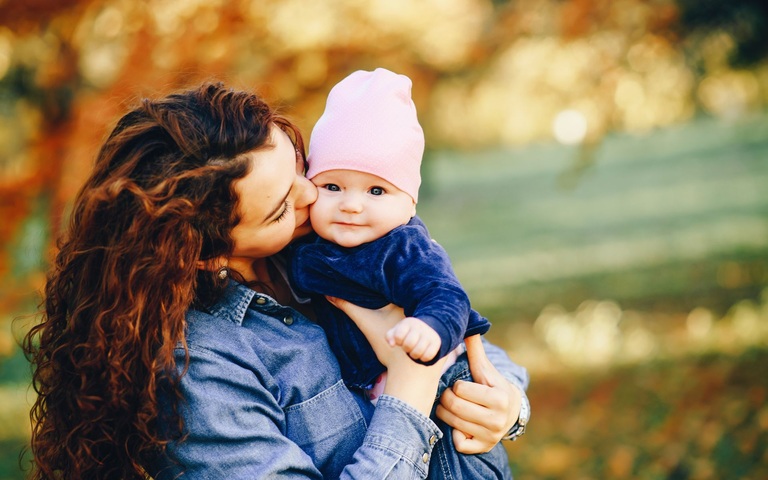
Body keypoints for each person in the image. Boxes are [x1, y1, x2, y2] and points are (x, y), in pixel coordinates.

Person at [23, 81, 530, 480]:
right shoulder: (199, 372)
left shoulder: (330, 242)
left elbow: (468, 337)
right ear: (204, 253)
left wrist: (506, 405)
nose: (314, 194)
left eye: (299, 166)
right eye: (281, 206)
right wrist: (410, 393)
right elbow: (419, 371)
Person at [289, 68, 517, 478]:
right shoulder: (309, 245)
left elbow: (448, 297)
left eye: (376, 190)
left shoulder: (404, 247)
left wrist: (427, 329)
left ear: (409, 201)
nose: (351, 205)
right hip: (388, 398)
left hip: (446, 404)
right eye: (333, 187)